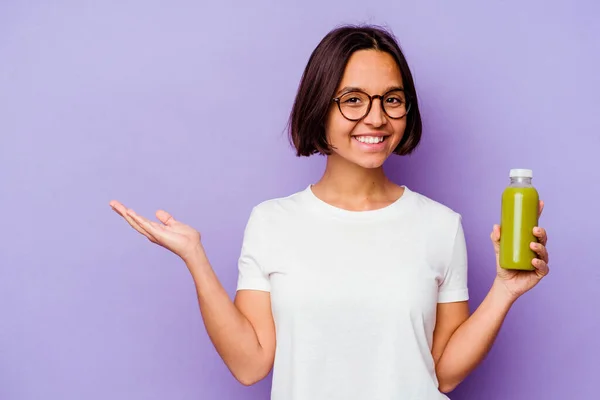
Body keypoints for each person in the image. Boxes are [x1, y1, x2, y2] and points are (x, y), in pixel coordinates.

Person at [109, 24, 550, 400]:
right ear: (320, 107)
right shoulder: (271, 222)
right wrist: (195, 258)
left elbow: (442, 371)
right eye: (353, 99)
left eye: (392, 100)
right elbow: (250, 365)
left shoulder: (440, 225)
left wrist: (505, 290)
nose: (376, 118)